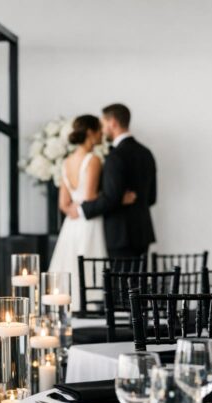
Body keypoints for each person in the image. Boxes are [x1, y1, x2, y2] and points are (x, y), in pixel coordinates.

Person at [48, 114, 135, 310]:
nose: (102, 134)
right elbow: (90, 198)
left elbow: (63, 203)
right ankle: (89, 306)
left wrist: (74, 210)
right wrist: (119, 198)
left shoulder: (67, 161)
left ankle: (70, 306)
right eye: (98, 130)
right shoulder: (92, 159)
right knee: (89, 264)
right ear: (90, 133)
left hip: (71, 224)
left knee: (71, 263)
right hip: (89, 221)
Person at [67, 104, 157, 258]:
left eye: (103, 124)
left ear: (113, 123)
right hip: (143, 233)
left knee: (118, 282)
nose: (101, 130)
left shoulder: (116, 156)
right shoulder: (146, 153)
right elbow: (151, 198)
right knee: (138, 281)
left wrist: (82, 209)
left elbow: (111, 198)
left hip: (119, 235)